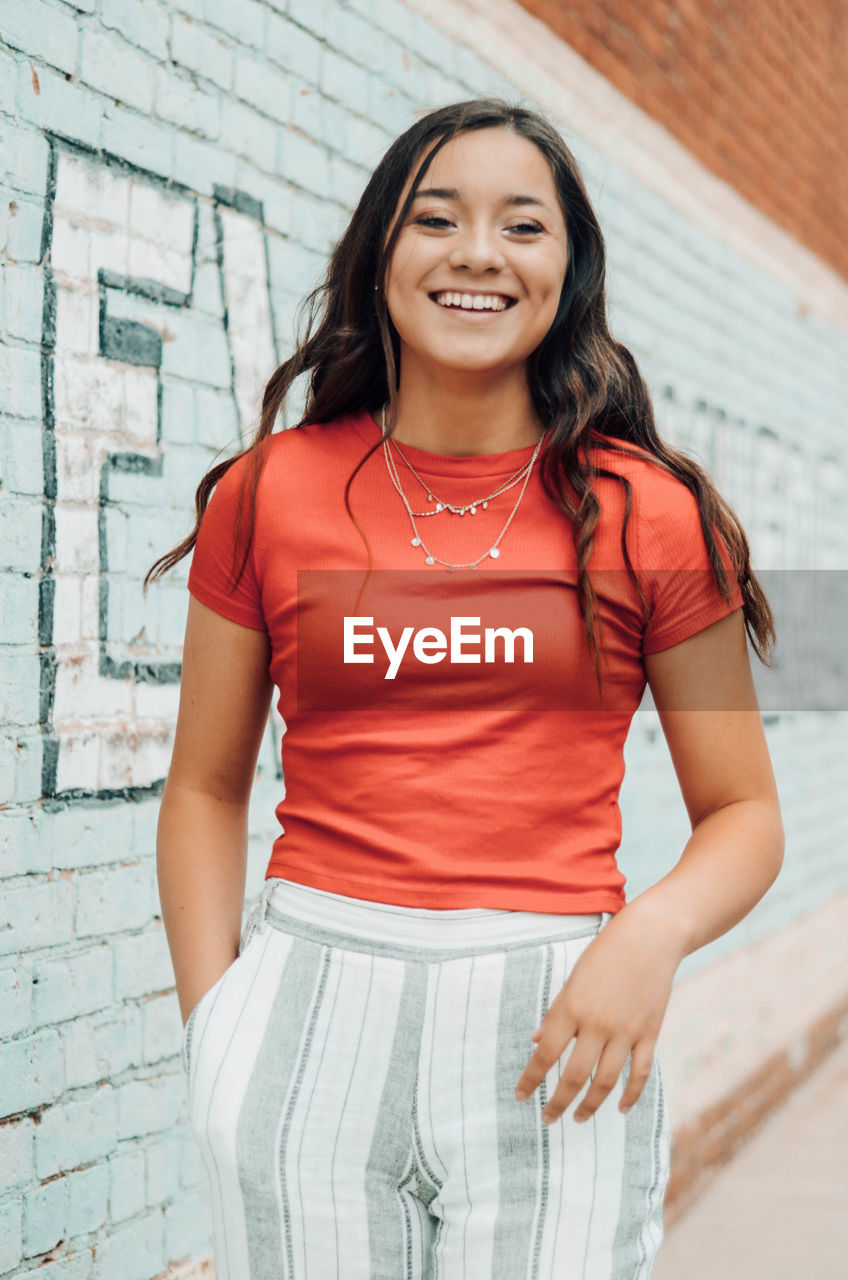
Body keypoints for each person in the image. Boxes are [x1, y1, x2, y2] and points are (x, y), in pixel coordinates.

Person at [146, 98, 784, 1279]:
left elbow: (743, 815)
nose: (477, 252)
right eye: (435, 217)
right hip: (307, 1004)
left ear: (567, 267)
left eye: (521, 225)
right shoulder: (269, 490)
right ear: (380, 252)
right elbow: (201, 785)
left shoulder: (648, 510)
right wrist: (215, 1025)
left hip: (560, 1021)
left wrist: (648, 933)